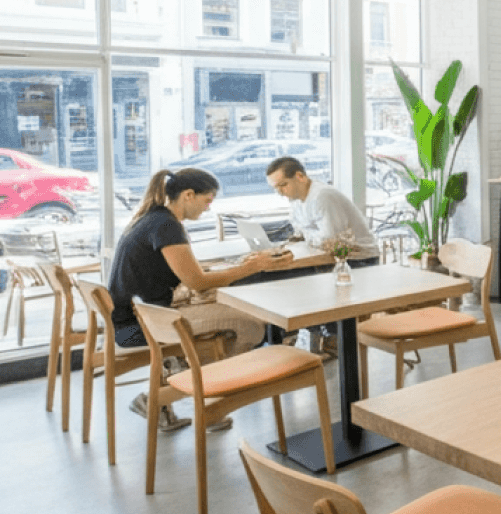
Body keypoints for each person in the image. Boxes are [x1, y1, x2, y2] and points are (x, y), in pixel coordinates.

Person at [111, 168, 290, 432]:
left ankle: (197, 394)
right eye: (207, 201)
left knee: (228, 319)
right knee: (251, 325)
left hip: (135, 318)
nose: (208, 208)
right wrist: (251, 267)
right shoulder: (167, 226)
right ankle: (193, 401)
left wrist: (238, 267)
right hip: (142, 325)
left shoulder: (152, 218)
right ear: (188, 195)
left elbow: (185, 272)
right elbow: (197, 282)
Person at [265, 156, 377, 257]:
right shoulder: (295, 200)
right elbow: (301, 233)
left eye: (283, 185)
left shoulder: (323, 196)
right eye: (275, 188)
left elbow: (330, 240)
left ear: (300, 177)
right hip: (327, 254)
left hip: (359, 258)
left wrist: (307, 237)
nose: (279, 192)